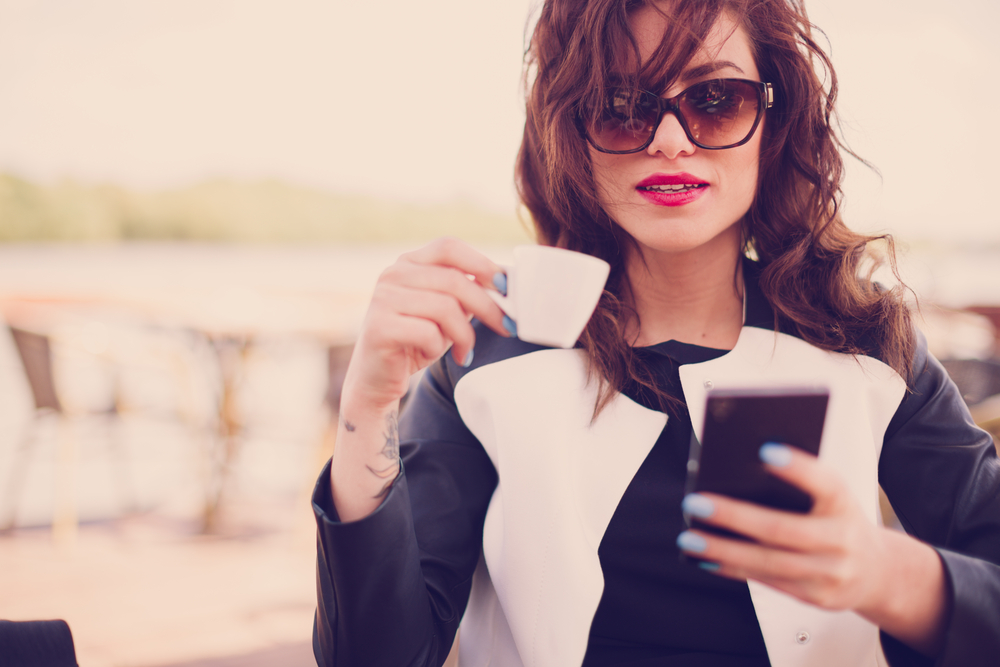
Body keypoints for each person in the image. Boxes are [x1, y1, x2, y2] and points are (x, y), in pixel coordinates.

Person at [311, 0, 1000, 665]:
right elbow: (374, 656)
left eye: (715, 100)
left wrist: (886, 572)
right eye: (622, 106)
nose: (670, 140)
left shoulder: (869, 345)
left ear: (774, 118)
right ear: (570, 132)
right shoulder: (483, 352)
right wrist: (366, 409)